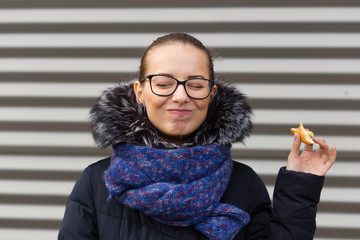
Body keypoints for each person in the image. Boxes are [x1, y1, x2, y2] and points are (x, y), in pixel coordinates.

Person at [58, 33, 336, 240]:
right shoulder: (96, 184)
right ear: (140, 92)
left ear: (211, 94)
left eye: (195, 84)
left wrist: (299, 190)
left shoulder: (244, 183)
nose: (180, 96)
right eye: (164, 83)